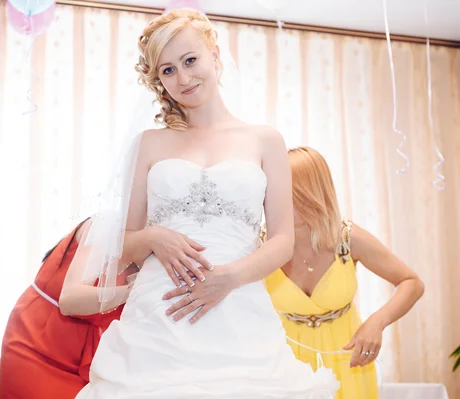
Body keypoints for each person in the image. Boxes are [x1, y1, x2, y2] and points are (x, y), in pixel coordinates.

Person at [59, 9, 339, 398]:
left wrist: (230, 278)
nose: (183, 78)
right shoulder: (149, 144)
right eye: (167, 70)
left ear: (215, 55)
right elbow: (121, 242)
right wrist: (155, 236)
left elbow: (281, 241)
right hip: (160, 313)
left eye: (190, 60)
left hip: (239, 311)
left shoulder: (265, 140)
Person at [263, 146, 425, 399]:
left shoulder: (348, 238)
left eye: (286, 192)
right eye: (271, 191)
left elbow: (411, 282)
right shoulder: (260, 244)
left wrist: (376, 324)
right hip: (284, 361)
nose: (273, 201)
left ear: (311, 192)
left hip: (347, 360)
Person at [0, 218, 136, 399]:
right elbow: (69, 298)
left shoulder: (154, 249)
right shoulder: (105, 225)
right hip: (38, 340)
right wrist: (131, 292)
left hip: (85, 356)